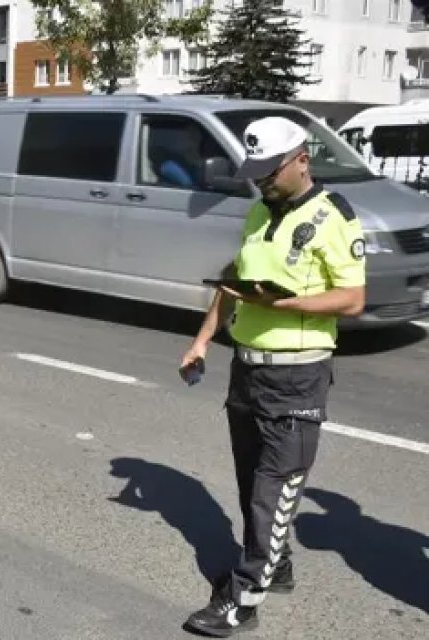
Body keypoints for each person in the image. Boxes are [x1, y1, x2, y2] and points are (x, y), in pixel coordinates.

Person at [179, 116, 366, 637]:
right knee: (249, 485)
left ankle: (244, 598)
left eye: (270, 171)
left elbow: (352, 298)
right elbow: (235, 282)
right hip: (248, 371)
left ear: (302, 160)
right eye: (255, 171)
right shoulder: (258, 211)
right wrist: (201, 340)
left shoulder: (334, 218)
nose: (261, 181)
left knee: (272, 492)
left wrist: (282, 303)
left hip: (297, 377)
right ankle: (272, 564)